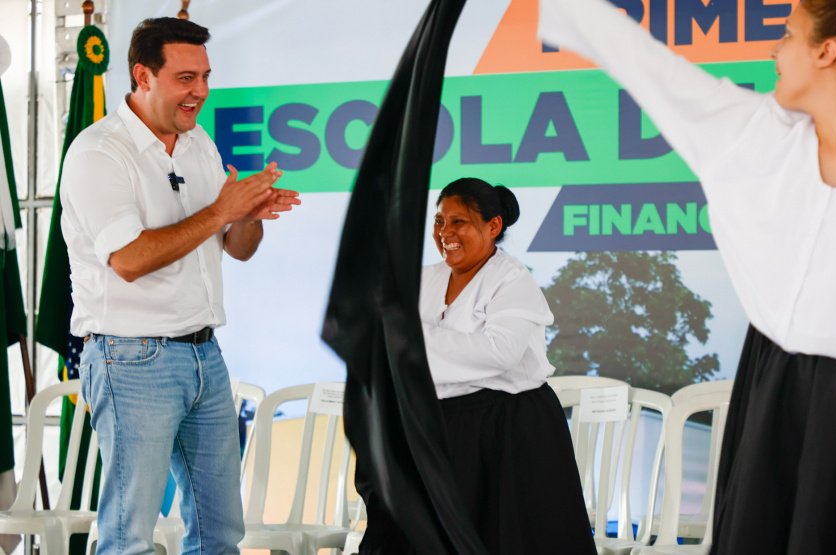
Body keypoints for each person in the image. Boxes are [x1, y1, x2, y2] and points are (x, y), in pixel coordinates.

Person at [539, 0, 836, 553]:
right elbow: (638, 58)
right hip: (774, 397)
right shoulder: (748, 135)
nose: (774, 51)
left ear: (826, 51)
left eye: (787, 35)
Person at [61, 17, 300, 555]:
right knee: (129, 538)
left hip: (204, 359)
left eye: (206, 77)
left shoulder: (199, 145)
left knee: (220, 535)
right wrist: (222, 209)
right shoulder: (99, 153)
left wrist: (247, 215)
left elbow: (237, 247)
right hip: (131, 361)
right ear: (142, 76)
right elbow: (128, 259)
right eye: (186, 78)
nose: (201, 92)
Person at [358, 177, 597, 554]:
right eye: (439, 221)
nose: (445, 233)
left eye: (459, 222)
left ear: (493, 226)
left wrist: (408, 340)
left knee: (502, 541)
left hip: (507, 429)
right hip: (436, 425)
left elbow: (498, 353)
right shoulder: (423, 278)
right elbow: (379, 341)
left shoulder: (513, 280)